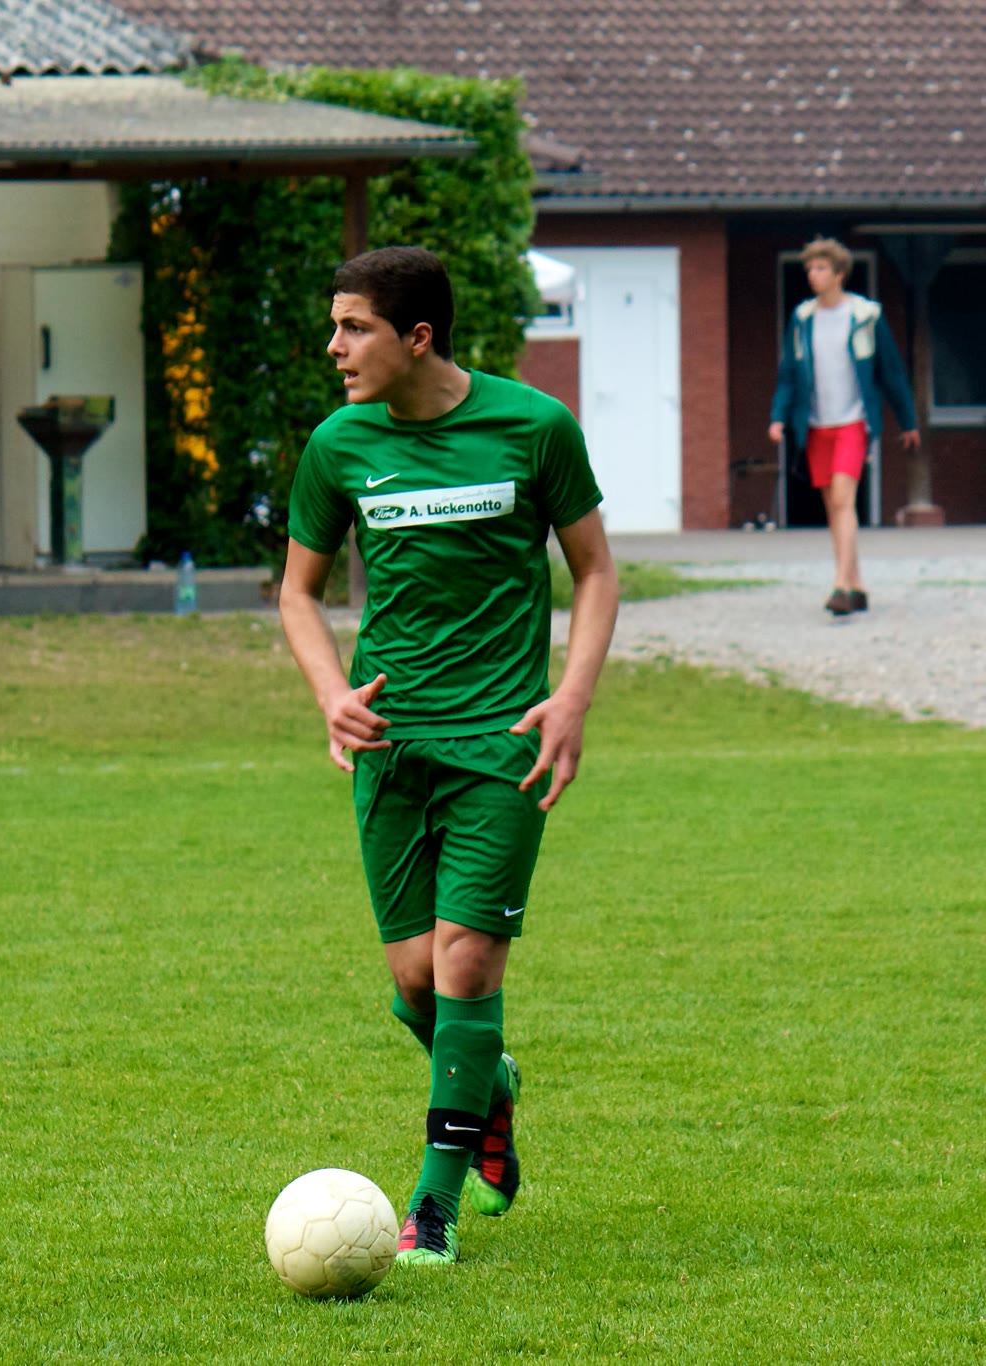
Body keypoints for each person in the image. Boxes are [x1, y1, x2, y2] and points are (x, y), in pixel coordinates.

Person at [277, 248, 618, 1267]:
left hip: (502, 741)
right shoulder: (338, 445)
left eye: (354, 328)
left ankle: (432, 1206)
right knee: (414, 982)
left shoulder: (534, 427)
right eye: (334, 326)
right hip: (390, 745)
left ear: (417, 336)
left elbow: (595, 571)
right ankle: (487, 1087)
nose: (334, 347)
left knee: (466, 960)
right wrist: (331, 695)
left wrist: (570, 697)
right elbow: (297, 592)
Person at [767, 237, 919, 617]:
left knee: (842, 499)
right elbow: (788, 374)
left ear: (839, 274)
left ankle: (839, 585)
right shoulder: (802, 319)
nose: (812, 275)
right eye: (809, 269)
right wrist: (778, 417)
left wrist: (908, 421)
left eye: (820, 268)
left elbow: (892, 372)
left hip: (854, 422)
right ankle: (857, 584)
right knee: (833, 507)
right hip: (816, 425)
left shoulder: (866, 316)